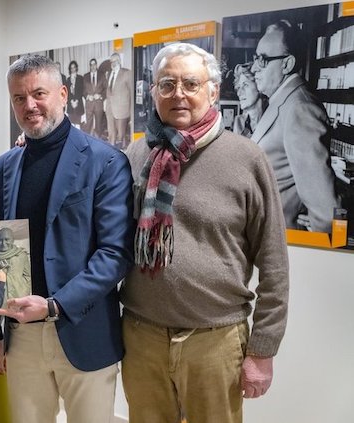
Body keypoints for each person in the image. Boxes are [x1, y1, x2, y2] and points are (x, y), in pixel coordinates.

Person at [121, 42, 289, 423]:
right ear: (153, 93)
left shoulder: (247, 159)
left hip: (216, 340)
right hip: (141, 336)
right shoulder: (135, 155)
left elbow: (275, 262)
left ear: (213, 91)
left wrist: (263, 350)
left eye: (190, 84)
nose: (178, 93)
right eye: (167, 84)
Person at [0, 54, 134, 423]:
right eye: (18, 98)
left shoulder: (106, 161)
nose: (29, 105)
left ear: (62, 94)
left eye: (39, 94)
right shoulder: (3, 167)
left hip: (84, 330)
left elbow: (115, 254)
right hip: (21, 334)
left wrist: (54, 305)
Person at [250, 20, 339, 232]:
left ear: (287, 64)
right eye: (255, 58)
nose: (254, 68)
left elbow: (327, 214)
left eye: (262, 60)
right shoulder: (281, 102)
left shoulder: (300, 108)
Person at [0, 227, 31, 301]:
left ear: (12, 240)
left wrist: (25, 291)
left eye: (7, 239)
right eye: (0, 240)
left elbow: (28, 276)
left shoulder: (21, 255)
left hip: (19, 297)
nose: (3, 243)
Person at [105, 52, 132, 149]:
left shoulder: (127, 73)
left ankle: (123, 154)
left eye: (115, 61)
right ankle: (111, 153)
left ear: (119, 61)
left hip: (122, 110)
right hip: (110, 109)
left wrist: (131, 114)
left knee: (121, 136)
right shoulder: (109, 74)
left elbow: (131, 94)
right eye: (111, 61)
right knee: (111, 134)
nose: (113, 63)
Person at [232, 63, 267, 138]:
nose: (239, 93)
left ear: (259, 87)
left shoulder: (273, 119)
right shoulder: (238, 122)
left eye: (245, 85)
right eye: (239, 87)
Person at [83, 58, 107, 137]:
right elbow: (83, 90)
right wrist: (87, 96)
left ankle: (98, 141)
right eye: (91, 64)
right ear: (90, 66)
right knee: (88, 126)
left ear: (96, 65)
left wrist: (100, 96)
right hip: (89, 104)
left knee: (98, 126)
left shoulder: (102, 75)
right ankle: (88, 141)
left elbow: (106, 89)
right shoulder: (85, 76)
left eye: (94, 64)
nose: (93, 66)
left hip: (98, 104)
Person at [64, 60, 85, 128]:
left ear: (76, 68)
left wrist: (76, 101)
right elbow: (67, 93)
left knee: (78, 125)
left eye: (74, 67)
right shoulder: (68, 79)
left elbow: (81, 91)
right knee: (72, 125)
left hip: (78, 104)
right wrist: (71, 101)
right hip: (70, 105)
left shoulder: (80, 78)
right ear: (70, 69)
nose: (73, 69)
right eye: (71, 68)